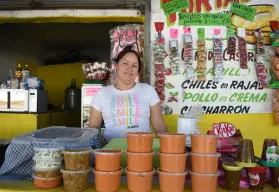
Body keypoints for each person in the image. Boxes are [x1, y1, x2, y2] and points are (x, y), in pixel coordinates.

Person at [89, 46, 168, 145]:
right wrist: (102, 149)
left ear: (138, 71)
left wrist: (169, 148)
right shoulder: (102, 94)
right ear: (116, 66)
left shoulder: (148, 90)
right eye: (125, 63)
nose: (129, 68)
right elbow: (93, 130)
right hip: (112, 150)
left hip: (143, 149)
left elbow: (159, 126)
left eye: (134, 65)